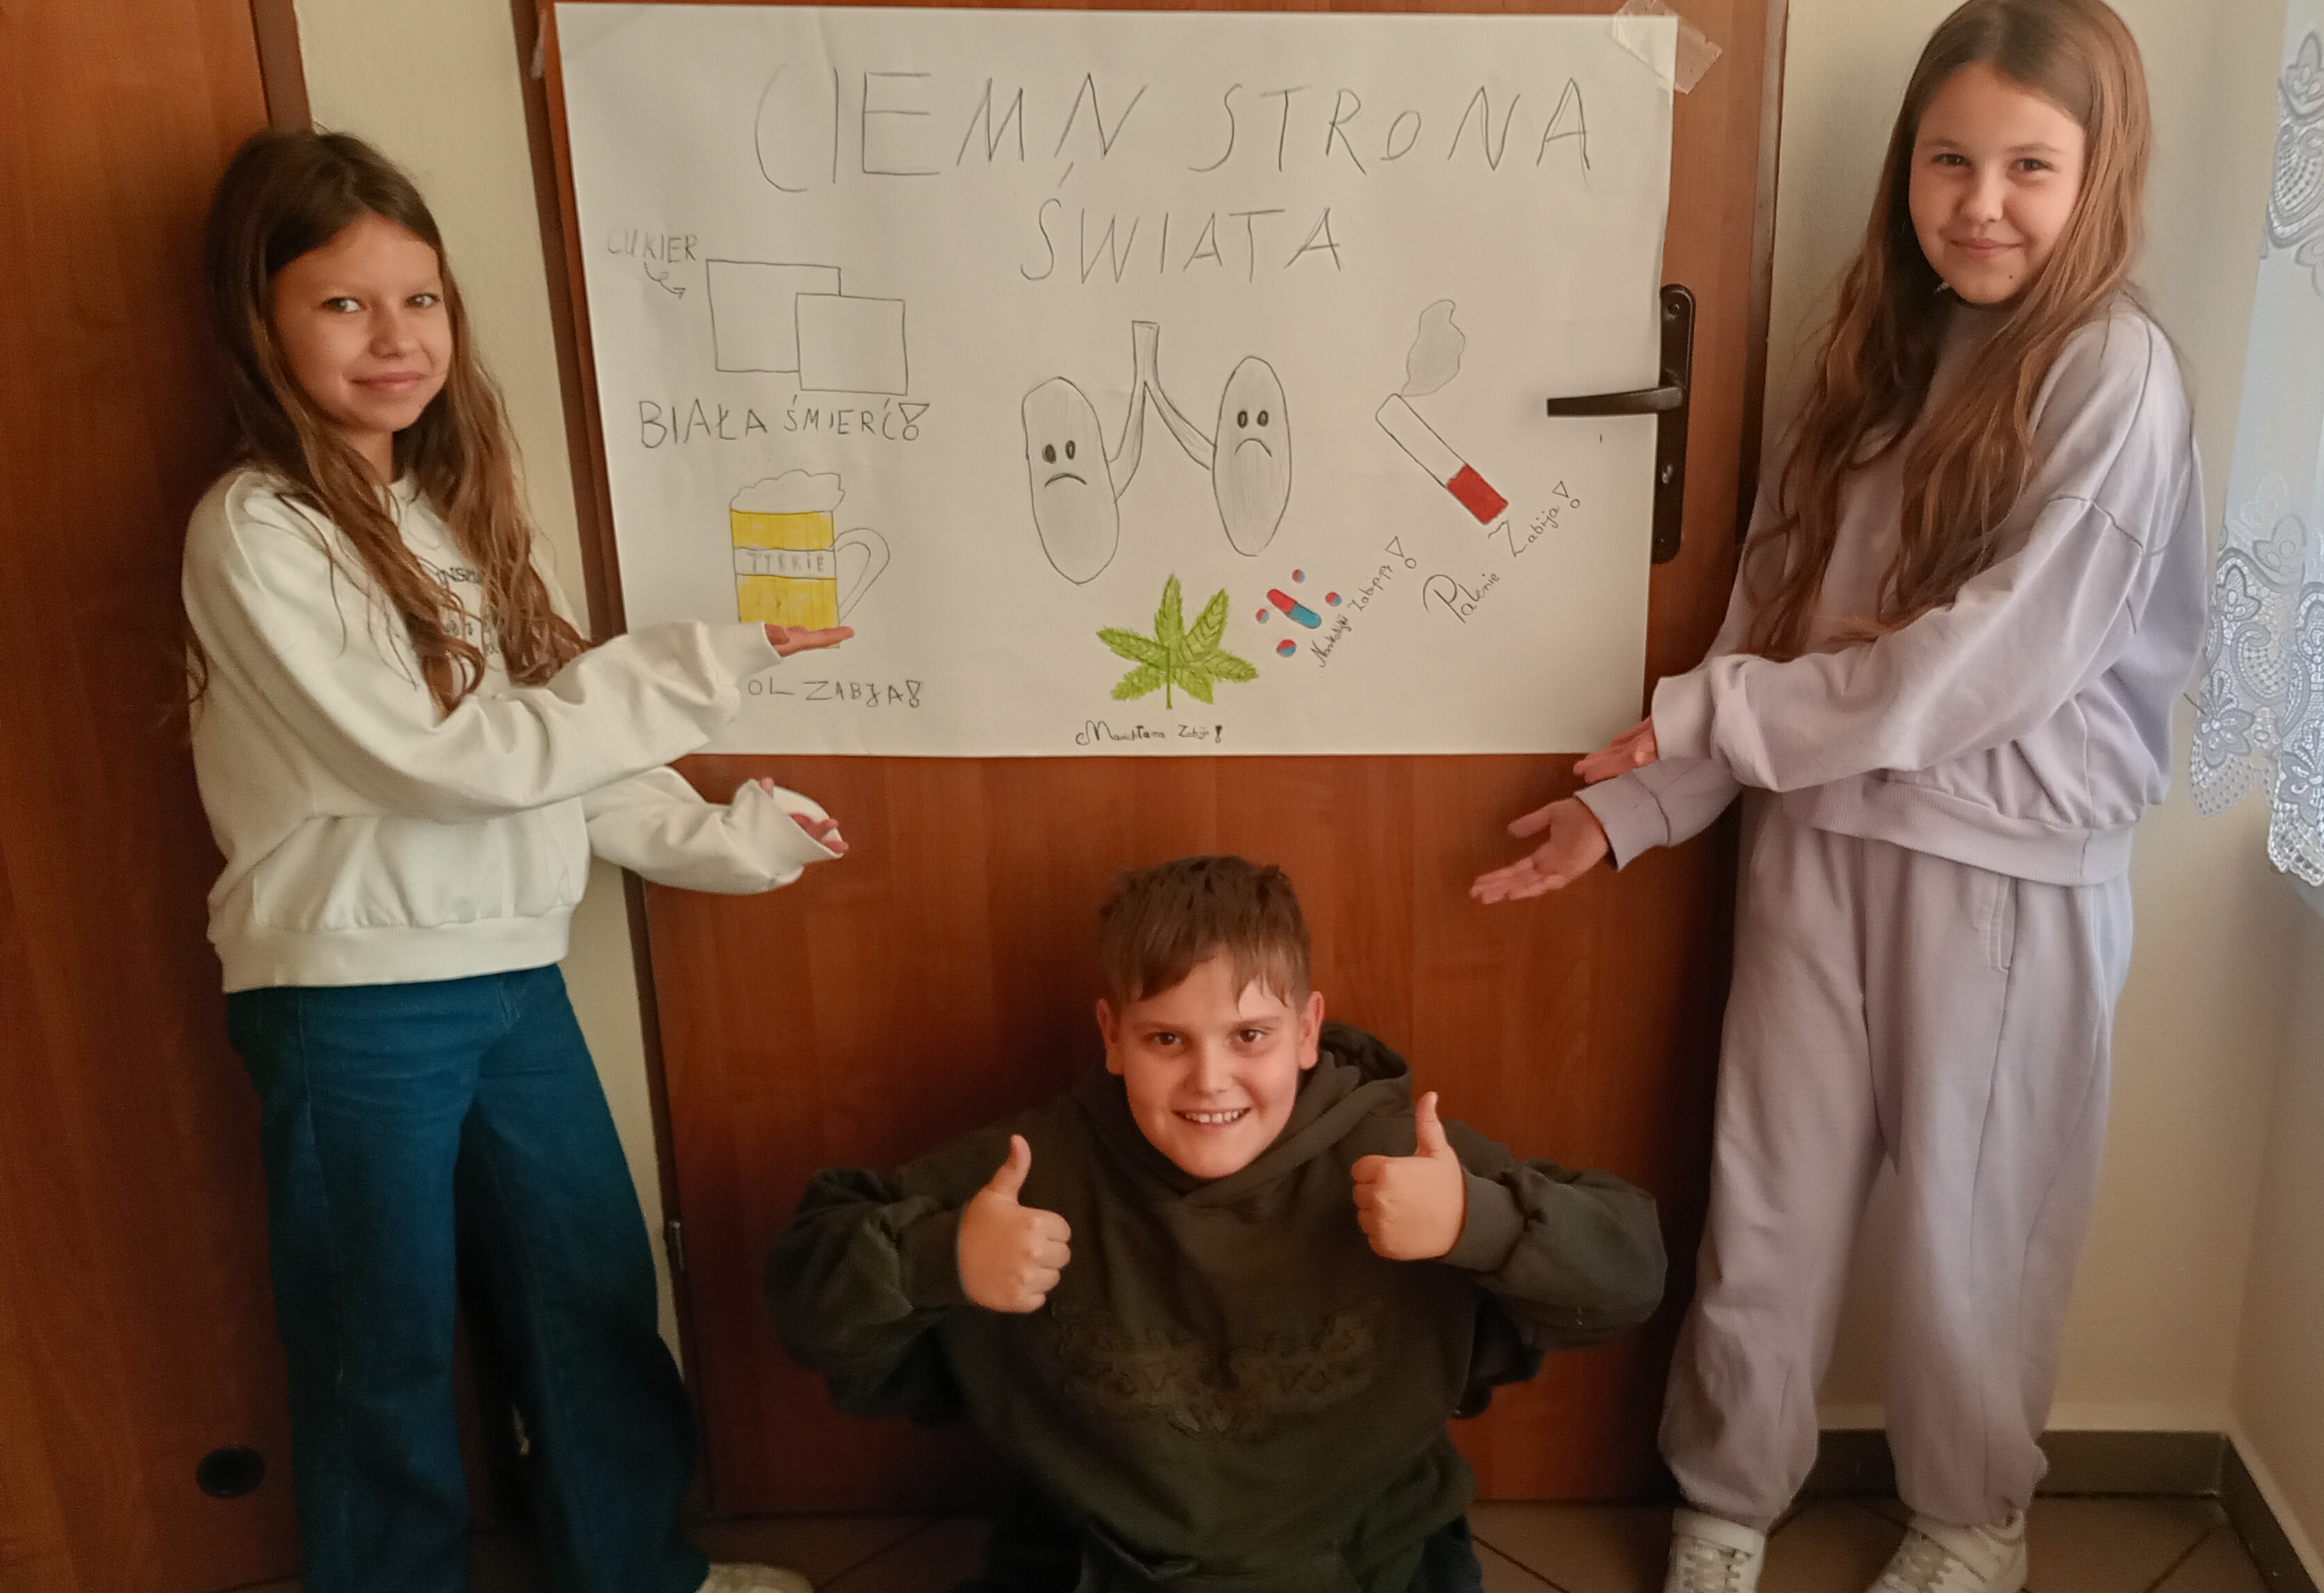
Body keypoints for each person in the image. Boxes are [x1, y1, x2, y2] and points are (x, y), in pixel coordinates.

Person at [1471, 1, 2204, 1588]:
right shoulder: (1870, 354)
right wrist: (1636, 806)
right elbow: (1773, 622)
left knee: (1976, 1228)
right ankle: (1728, 1497)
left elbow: (1987, 663)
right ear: (1905, 166)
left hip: (2005, 873)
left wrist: (1710, 713)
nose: (1981, 203)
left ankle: (1971, 1517)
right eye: (1949, 159)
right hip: (1813, 844)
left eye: (2028, 166)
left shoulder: (2114, 376)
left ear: (2102, 173)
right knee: (1771, 1198)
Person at [186, 128, 844, 1593]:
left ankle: (635, 1572)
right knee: (377, 1340)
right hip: (353, 998)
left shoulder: (442, 518)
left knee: (589, 1289)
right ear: (262, 320)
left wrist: (724, 839)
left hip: (511, 972)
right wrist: (701, 667)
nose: (395, 337)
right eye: (344, 303)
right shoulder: (257, 530)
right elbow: (443, 763)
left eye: (419, 299)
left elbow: (547, 753)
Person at [765, 855, 1668, 1593]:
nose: (1209, 1081)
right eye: (1167, 1039)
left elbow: (1632, 1275)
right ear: (1112, 1035)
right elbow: (806, 1305)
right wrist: (938, 1259)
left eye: (1249, 1036)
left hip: (1370, 1557)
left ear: (1307, 1031)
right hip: (1099, 1561)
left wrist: (1482, 1221)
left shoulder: (1396, 1148)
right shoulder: (1034, 1169)